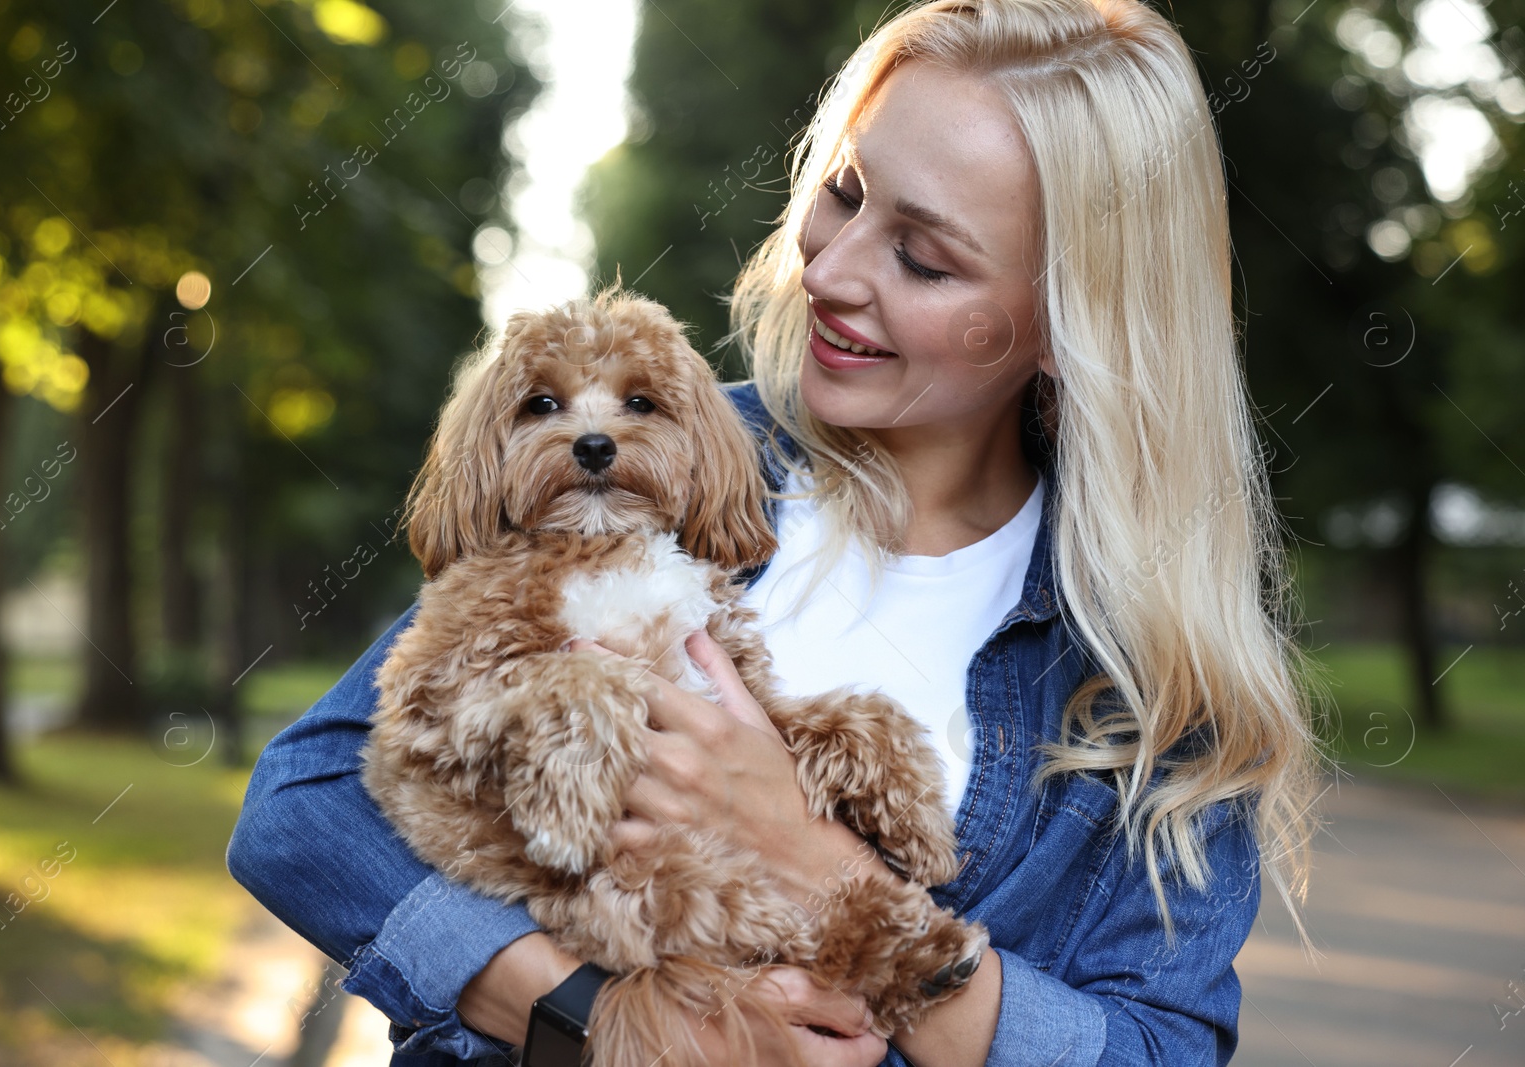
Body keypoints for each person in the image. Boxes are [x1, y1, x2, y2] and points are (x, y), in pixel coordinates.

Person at [227, 0, 1324, 1063]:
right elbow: (307, 807)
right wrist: (601, 1019)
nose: (832, 270)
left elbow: (1154, 1047)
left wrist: (817, 860)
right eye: (844, 193)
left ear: (1067, 321)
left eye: (925, 258)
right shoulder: (678, 461)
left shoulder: (1144, 667)